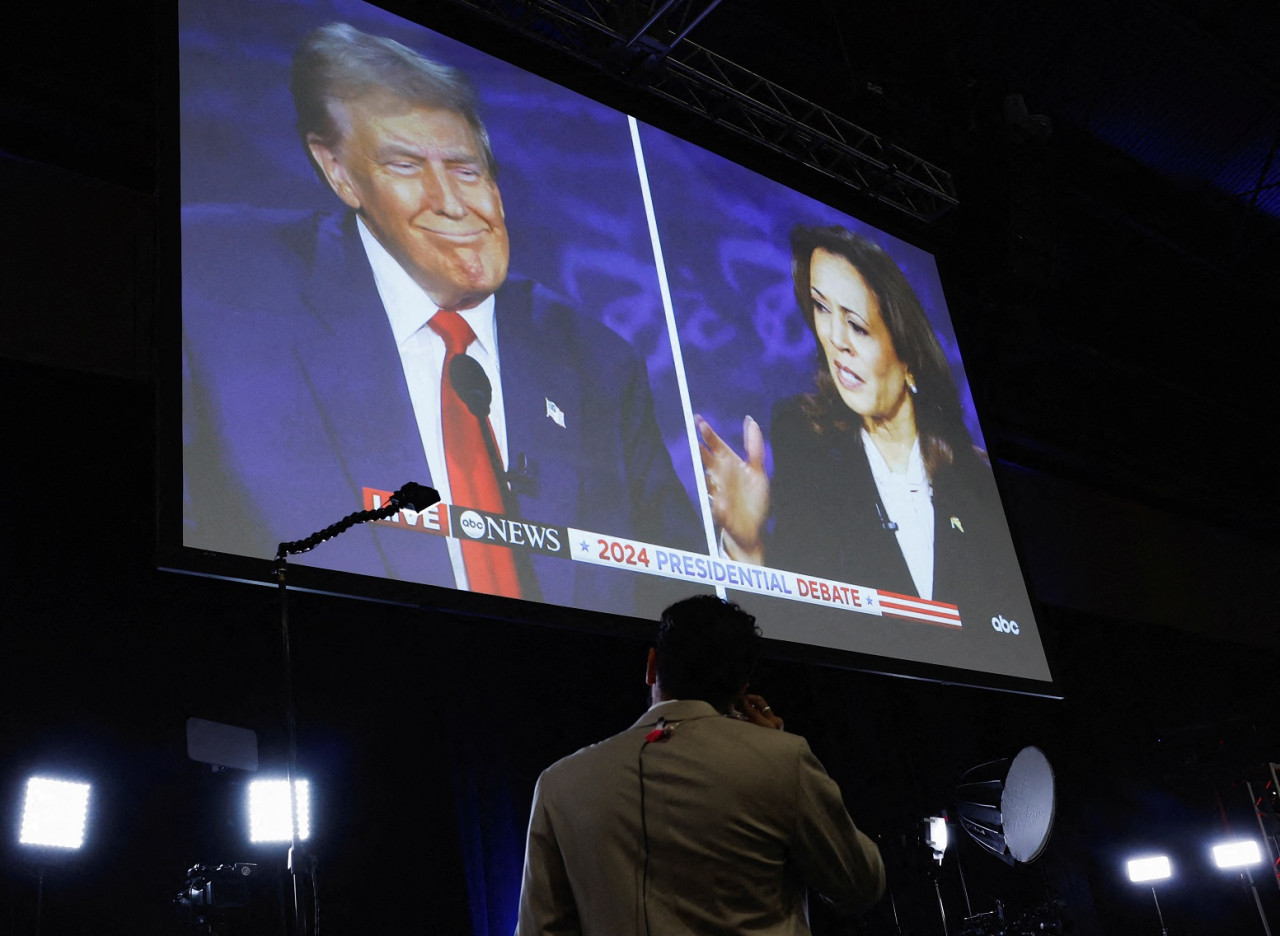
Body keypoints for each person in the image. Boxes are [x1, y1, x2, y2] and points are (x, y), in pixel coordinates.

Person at [182, 23, 702, 616]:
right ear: (339, 172)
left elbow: (675, 602)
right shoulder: (215, 298)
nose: (452, 203)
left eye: (464, 168)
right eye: (405, 166)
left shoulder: (597, 364)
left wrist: (737, 556)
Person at [515, 595, 885, 935]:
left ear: (651, 665)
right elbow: (859, 885)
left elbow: (540, 930)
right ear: (742, 687)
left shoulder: (558, 783)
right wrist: (775, 747)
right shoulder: (783, 760)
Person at [697, 225, 1017, 614]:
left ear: (909, 358)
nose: (834, 339)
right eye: (821, 307)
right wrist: (747, 547)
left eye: (858, 326)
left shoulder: (977, 480)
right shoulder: (802, 437)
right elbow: (797, 619)